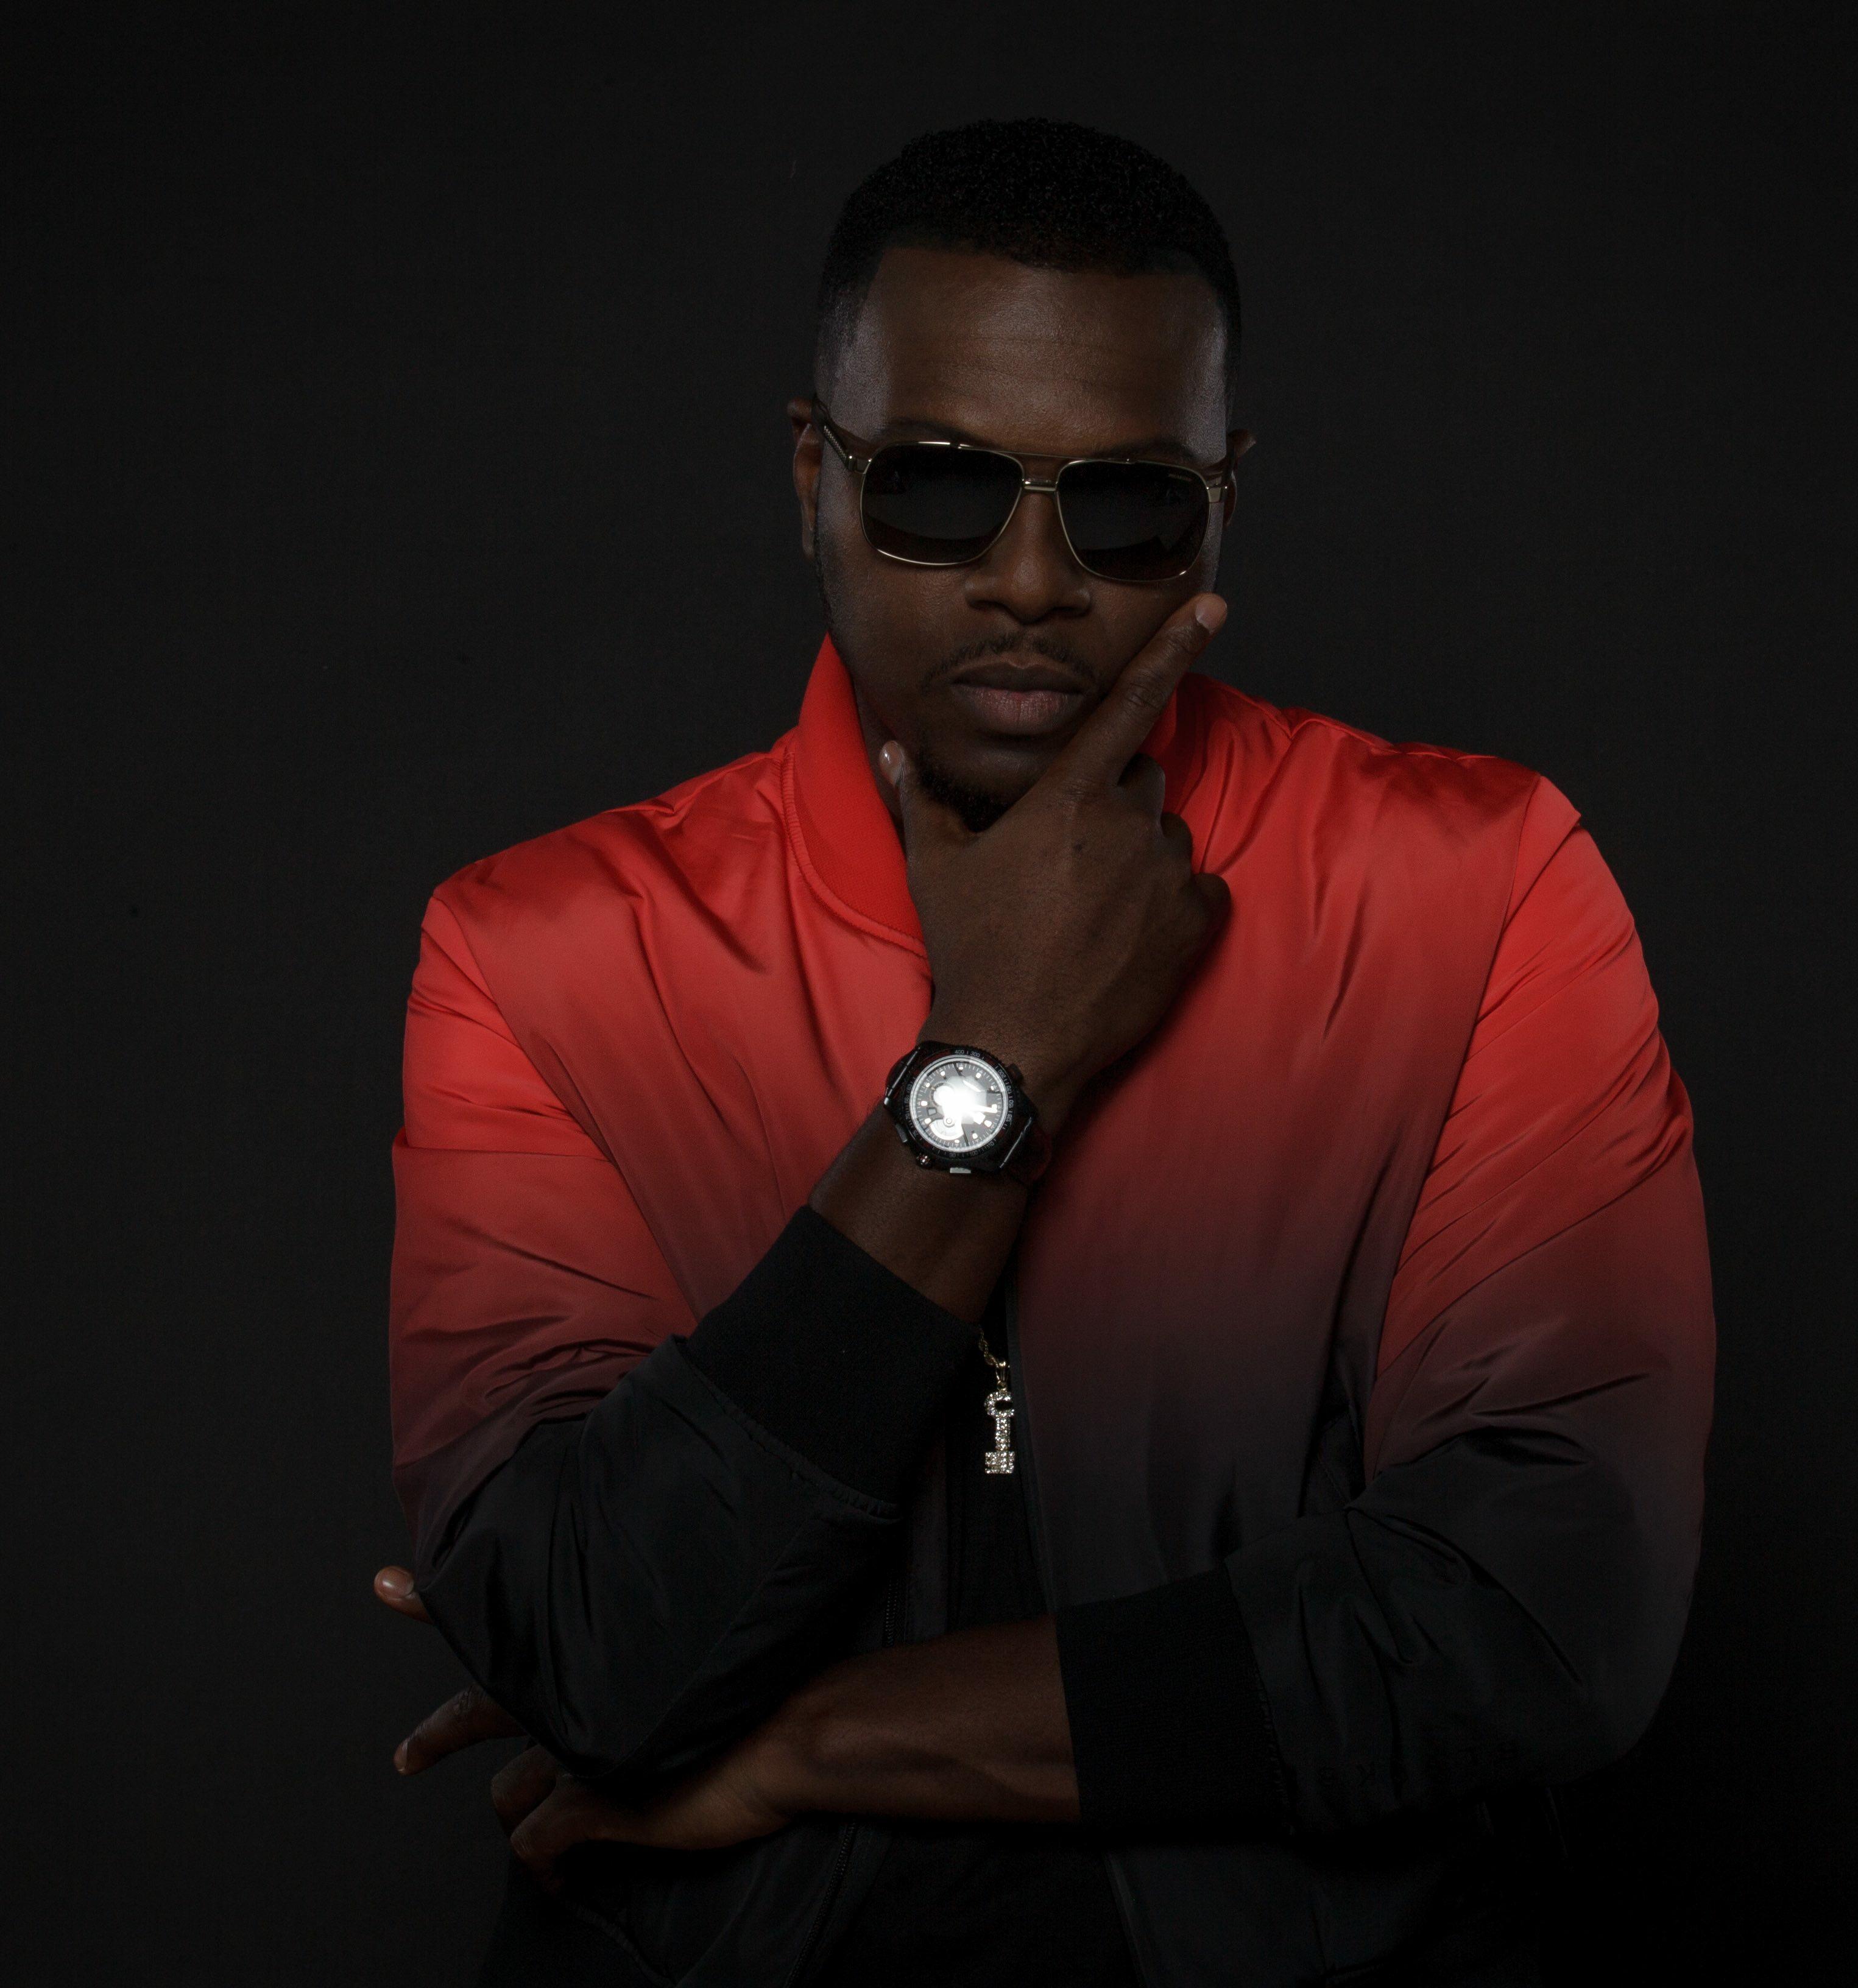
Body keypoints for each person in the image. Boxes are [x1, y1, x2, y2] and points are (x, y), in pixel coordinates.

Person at [374, 117, 1714, 1986]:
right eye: (938, 488)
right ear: (813, 475)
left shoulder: (1477, 888)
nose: (1028, 579)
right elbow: (596, 1640)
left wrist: (812, 1742)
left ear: (1224, 503)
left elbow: (1547, 1616)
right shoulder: (547, 956)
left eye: (1127, 506)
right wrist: (994, 1059)